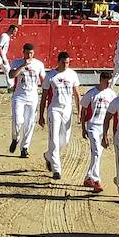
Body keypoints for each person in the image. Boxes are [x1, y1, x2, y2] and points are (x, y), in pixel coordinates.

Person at [39, 51, 81, 180]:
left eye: (67, 62)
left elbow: (77, 94)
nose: (66, 65)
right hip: (54, 109)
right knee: (54, 138)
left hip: (67, 109)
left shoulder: (72, 74)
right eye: (63, 62)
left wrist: (79, 112)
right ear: (58, 61)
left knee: (65, 139)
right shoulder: (50, 76)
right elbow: (44, 97)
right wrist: (41, 115)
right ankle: (56, 169)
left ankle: (48, 155)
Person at [79, 70, 117, 193]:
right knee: (96, 152)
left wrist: (109, 132)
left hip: (103, 127)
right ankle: (96, 180)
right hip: (93, 126)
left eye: (109, 82)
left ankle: (88, 177)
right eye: (106, 82)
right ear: (100, 80)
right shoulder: (91, 93)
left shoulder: (112, 94)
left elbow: (113, 113)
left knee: (98, 154)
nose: (108, 84)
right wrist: (83, 128)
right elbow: (83, 110)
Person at [8, 43, 47, 157]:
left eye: (31, 53)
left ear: (33, 53)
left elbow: (44, 80)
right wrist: (22, 66)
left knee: (29, 123)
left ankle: (24, 147)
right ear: (23, 52)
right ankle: (15, 138)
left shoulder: (39, 64)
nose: (29, 55)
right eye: (27, 53)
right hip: (19, 96)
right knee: (17, 120)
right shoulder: (16, 62)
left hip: (32, 97)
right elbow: (11, 75)